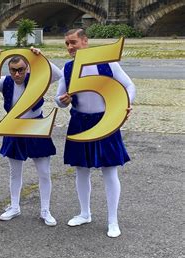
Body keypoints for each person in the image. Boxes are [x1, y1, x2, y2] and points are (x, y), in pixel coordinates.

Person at [55, 29, 136, 238]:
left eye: (73, 42)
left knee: (109, 171)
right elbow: (58, 99)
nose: (70, 47)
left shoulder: (107, 62)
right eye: (66, 44)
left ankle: (113, 220)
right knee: (81, 170)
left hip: (105, 121)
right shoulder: (68, 67)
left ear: (85, 41)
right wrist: (62, 101)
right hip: (79, 122)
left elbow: (128, 85)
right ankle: (84, 213)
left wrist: (125, 104)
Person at [0, 48, 62, 226]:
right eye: (13, 70)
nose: (17, 74)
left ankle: (45, 210)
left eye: (21, 70)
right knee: (15, 172)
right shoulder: (6, 82)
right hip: (14, 128)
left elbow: (59, 74)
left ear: (28, 68)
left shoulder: (38, 79)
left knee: (44, 172)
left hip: (36, 127)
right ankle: (15, 206)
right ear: (9, 70)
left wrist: (40, 57)